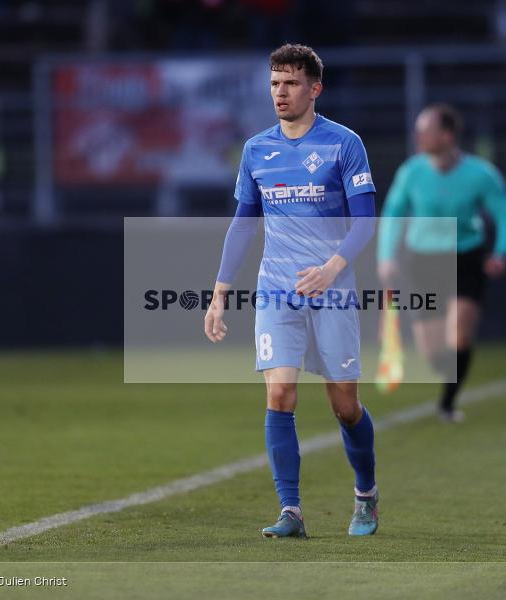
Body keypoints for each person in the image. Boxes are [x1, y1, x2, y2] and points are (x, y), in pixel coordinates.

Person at [204, 44, 379, 538]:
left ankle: (365, 492)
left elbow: (365, 222)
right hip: (277, 291)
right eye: (275, 83)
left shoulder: (344, 144)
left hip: (333, 291)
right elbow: (243, 224)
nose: (281, 92)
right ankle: (291, 512)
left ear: (315, 88)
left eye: (292, 83)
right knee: (279, 393)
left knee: (345, 406)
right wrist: (219, 292)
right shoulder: (257, 149)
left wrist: (332, 268)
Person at [377, 103, 506, 422]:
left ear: (447, 134)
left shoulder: (481, 175)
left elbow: (505, 214)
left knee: (460, 336)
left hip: (465, 256)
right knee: (433, 351)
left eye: (425, 130)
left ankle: (447, 404)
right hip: (423, 260)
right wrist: (386, 257)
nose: (419, 136)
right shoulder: (411, 172)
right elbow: (393, 214)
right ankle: (448, 373)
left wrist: (501, 252)